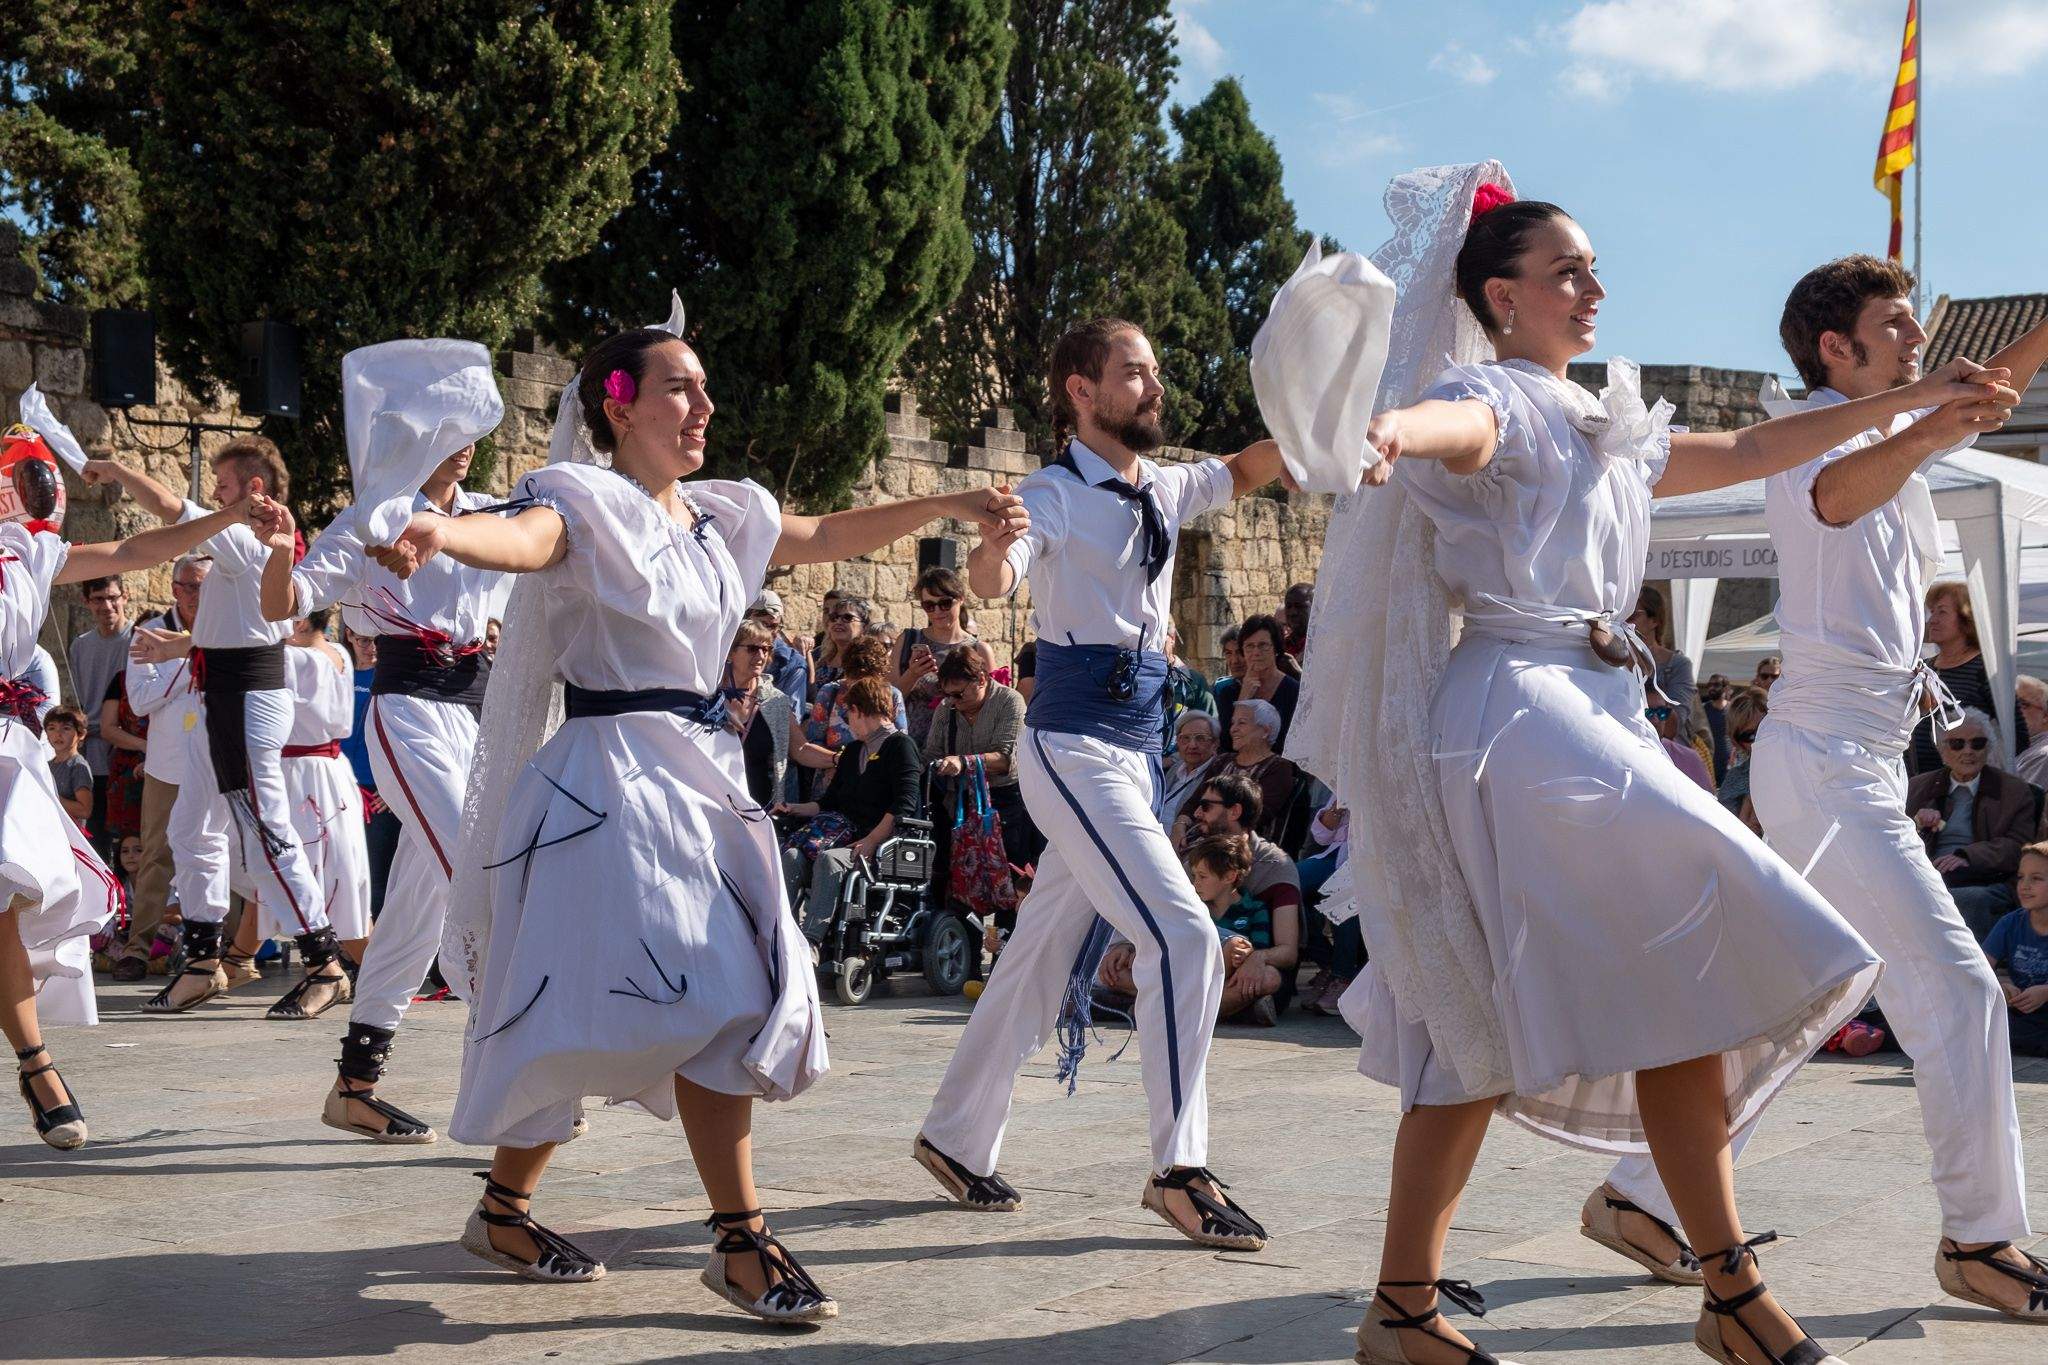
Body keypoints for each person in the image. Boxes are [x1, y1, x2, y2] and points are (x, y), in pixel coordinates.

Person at [1284, 165, 2010, 1365]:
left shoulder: (1596, 421)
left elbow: (1757, 442)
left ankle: (1417, 1311)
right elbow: (1447, 428)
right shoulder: (1492, 398)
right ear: (1499, 299)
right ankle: (1715, 1294)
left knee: (1501, 1023)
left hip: (1587, 707)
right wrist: (1384, 431)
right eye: (1564, 270)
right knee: (1696, 918)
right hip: (1515, 708)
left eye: (1590, 267)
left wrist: (1921, 402)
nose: (1592, 286)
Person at [371, 316, 1024, 1320]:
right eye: (679, 388)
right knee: (681, 993)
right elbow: (521, 538)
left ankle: (509, 1206)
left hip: (700, 783)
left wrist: (950, 498)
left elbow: (826, 533)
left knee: (605, 1003)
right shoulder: (579, 498)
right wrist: (441, 529)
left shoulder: (723, 515)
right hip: (605, 786)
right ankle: (739, 1240)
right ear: (618, 406)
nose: (704, 406)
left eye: (704, 387)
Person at [1597, 253, 2048, 1325]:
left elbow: (1986, 393)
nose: (1914, 342)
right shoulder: (1817, 442)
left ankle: (1641, 1197)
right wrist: (1934, 420)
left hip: (1857, 766)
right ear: (1833, 351)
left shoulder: (1893, 424)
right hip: (1824, 764)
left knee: (1800, 1004)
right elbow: (1844, 487)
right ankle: (1980, 1240)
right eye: (1893, 327)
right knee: (1957, 991)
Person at [915, 315, 1289, 1253]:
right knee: (1185, 935)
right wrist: (995, 548)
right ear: (1082, 391)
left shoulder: (1161, 482)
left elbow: (1243, 468)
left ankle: (955, 1135)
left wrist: (1324, 427)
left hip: (1132, 750)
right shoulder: (1050, 493)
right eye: (1134, 372)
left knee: (1040, 956)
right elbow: (999, 576)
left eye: (1154, 370)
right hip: (1073, 748)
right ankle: (1180, 1168)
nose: (1153, 385)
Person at [254, 341, 511, 1140]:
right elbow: (281, 603)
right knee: (478, 867)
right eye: (451, 426)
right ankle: (514, 1067)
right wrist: (278, 546)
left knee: (418, 909)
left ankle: (354, 1085)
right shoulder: (371, 514)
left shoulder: (492, 510)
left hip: (476, 717)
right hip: (407, 712)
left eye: (474, 426)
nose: (466, 441)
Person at [4, 417, 266, 1150]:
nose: (26, 495)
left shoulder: (32, 553)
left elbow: (133, 548)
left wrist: (226, 517)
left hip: (2, 747)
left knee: (6, 903)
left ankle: (37, 1064)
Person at [97, 439, 353, 1021]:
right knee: (193, 830)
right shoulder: (249, 554)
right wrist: (185, 644)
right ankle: (203, 962)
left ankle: (324, 963)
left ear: (254, 491)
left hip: (242, 703)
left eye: (225, 486)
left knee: (264, 831)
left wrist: (117, 469)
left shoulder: (243, 543)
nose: (215, 496)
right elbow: (242, 630)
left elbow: (168, 507)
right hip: (223, 699)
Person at [110, 554, 209, 982]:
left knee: (216, 853)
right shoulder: (148, 634)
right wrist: (187, 661)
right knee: (155, 857)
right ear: (174, 589)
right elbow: (142, 700)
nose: (197, 594)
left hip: (214, 760)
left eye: (205, 585)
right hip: (167, 764)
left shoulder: (225, 629)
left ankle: (214, 949)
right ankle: (138, 948)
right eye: (190, 586)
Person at [776, 676, 921, 938]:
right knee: (792, 857)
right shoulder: (853, 751)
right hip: (841, 838)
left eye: (848, 715)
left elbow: (905, 804)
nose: (848, 723)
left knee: (829, 861)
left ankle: (812, 941)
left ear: (858, 711)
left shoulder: (901, 746)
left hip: (881, 845)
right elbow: (828, 803)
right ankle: (779, 933)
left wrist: (873, 840)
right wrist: (793, 808)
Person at [273, 612, 371, 974]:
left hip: (301, 775)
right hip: (332, 769)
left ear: (298, 621)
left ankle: (359, 969)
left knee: (315, 871)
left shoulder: (291, 658)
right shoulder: (340, 654)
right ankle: (237, 959)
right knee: (336, 871)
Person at [1908, 708, 2036, 942]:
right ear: (1941, 749)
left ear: (1988, 748)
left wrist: (1968, 856)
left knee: (1968, 898)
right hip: (1929, 875)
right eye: (1957, 744)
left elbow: (2019, 846)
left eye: (1977, 743)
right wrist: (1916, 824)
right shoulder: (1917, 788)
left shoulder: (2013, 791)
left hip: (1987, 880)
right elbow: (1893, 836)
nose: (1968, 751)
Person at [922, 645, 1032, 878]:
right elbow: (931, 753)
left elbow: (1005, 759)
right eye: (947, 694)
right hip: (959, 806)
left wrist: (964, 762)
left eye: (959, 694)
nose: (952, 701)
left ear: (981, 679)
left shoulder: (1009, 702)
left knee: (1009, 879)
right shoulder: (946, 709)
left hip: (1003, 805)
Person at [1911, 582, 2028, 775]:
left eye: (1942, 612)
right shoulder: (1925, 669)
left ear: (1967, 618)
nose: (1932, 620)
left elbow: (2017, 737)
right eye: (1931, 612)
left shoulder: (1986, 670)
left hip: (1969, 790)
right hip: (1921, 787)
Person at [1176, 699, 1298, 848]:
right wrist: (1179, 826)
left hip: (1238, 849)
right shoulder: (1223, 761)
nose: (1233, 729)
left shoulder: (1278, 768)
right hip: (1199, 838)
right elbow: (1195, 801)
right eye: (1233, 723)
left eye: (1242, 723)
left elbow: (1257, 817)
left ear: (1265, 731)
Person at [66, 575, 131, 851]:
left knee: (129, 841)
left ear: (125, 597)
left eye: (113, 597)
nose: (107, 606)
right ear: (87, 603)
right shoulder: (80, 646)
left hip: (127, 753)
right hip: (90, 755)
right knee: (94, 841)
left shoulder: (137, 640)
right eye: (98, 599)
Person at [893, 566, 979, 746]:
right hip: (909, 746)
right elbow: (888, 698)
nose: (937, 611)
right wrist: (912, 674)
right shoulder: (908, 640)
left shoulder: (978, 649)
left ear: (960, 599)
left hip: (957, 748)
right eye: (929, 605)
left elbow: (992, 707)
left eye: (945, 603)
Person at [799, 635, 908, 770]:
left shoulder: (892, 695)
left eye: (867, 679)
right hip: (833, 775)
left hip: (877, 775)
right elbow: (813, 741)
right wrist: (838, 761)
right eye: (855, 678)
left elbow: (900, 743)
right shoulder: (829, 693)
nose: (861, 686)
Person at [724, 617, 798, 810]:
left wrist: (837, 758)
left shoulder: (775, 701)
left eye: (766, 649)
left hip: (754, 804)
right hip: (711, 795)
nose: (760, 655)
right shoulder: (708, 693)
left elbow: (801, 749)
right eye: (752, 648)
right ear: (730, 651)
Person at [1986, 844, 2048, 1057]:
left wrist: (2046, 991)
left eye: (2037, 878)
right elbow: (1981, 969)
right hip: (2021, 1014)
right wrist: (2001, 986)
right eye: (2021, 877)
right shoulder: (2010, 923)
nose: (2025, 885)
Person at [1214, 614, 1298, 756]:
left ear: (1276, 649)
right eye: (1249, 646)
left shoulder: (1294, 691)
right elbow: (1228, 744)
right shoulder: (1228, 693)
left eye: (1263, 645)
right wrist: (1243, 699)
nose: (1256, 653)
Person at [1629, 584, 1698, 742]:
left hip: (1666, 754)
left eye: (1632, 615)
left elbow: (1673, 724)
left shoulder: (1678, 665)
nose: (1625, 621)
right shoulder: (1615, 660)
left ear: (1654, 621)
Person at [1715, 685, 1769, 834]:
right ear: (1738, 742)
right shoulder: (1735, 780)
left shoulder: (1805, 764)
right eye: (1749, 736)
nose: (1758, 739)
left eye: (1764, 729)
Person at [746, 590, 809, 707]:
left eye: (775, 626)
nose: (769, 633)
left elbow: (785, 723)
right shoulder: (727, 652)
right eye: (764, 625)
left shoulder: (792, 663)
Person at [1647, 684, 1714, 793]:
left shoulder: (1688, 759)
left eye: (1661, 712)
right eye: (1647, 712)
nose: (1655, 720)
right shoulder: (1615, 756)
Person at [43, 706, 93, 826]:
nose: (58, 734)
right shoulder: (47, 766)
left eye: (66, 728)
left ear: (81, 734)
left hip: (69, 838)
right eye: (52, 728)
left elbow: (85, 810)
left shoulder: (78, 767)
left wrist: (50, 797)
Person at [2014, 675, 2048, 788]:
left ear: (2045, 715)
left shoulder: (2042, 756)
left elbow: (2015, 802)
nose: (2013, 709)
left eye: (2022, 704)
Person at [1281, 582, 1313, 660]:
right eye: (1289, 606)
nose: (1293, 613)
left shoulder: (1323, 644)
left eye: (1299, 606)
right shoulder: (1280, 646)